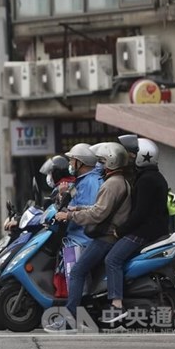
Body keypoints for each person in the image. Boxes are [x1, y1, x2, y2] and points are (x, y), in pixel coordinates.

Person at [45, 142, 132, 332]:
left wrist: (70, 215)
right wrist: (77, 208)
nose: (99, 165)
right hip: (109, 234)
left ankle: (70, 319)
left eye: (102, 161)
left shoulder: (110, 185)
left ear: (110, 162)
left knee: (77, 272)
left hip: (105, 237)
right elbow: (97, 208)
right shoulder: (119, 181)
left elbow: (97, 214)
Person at [102, 138, 169, 324]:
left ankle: (116, 305)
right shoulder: (153, 177)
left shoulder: (146, 181)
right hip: (151, 230)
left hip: (143, 232)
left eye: (132, 155)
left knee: (112, 259)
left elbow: (139, 214)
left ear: (142, 157)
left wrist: (121, 230)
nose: (128, 158)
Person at [63, 143, 104, 247]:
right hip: (75, 235)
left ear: (81, 162)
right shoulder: (82, 180)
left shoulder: (91, 182)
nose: (70, 163)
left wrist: (68, 215)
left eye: (72, 160)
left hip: (83, 239)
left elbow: (90, 212)